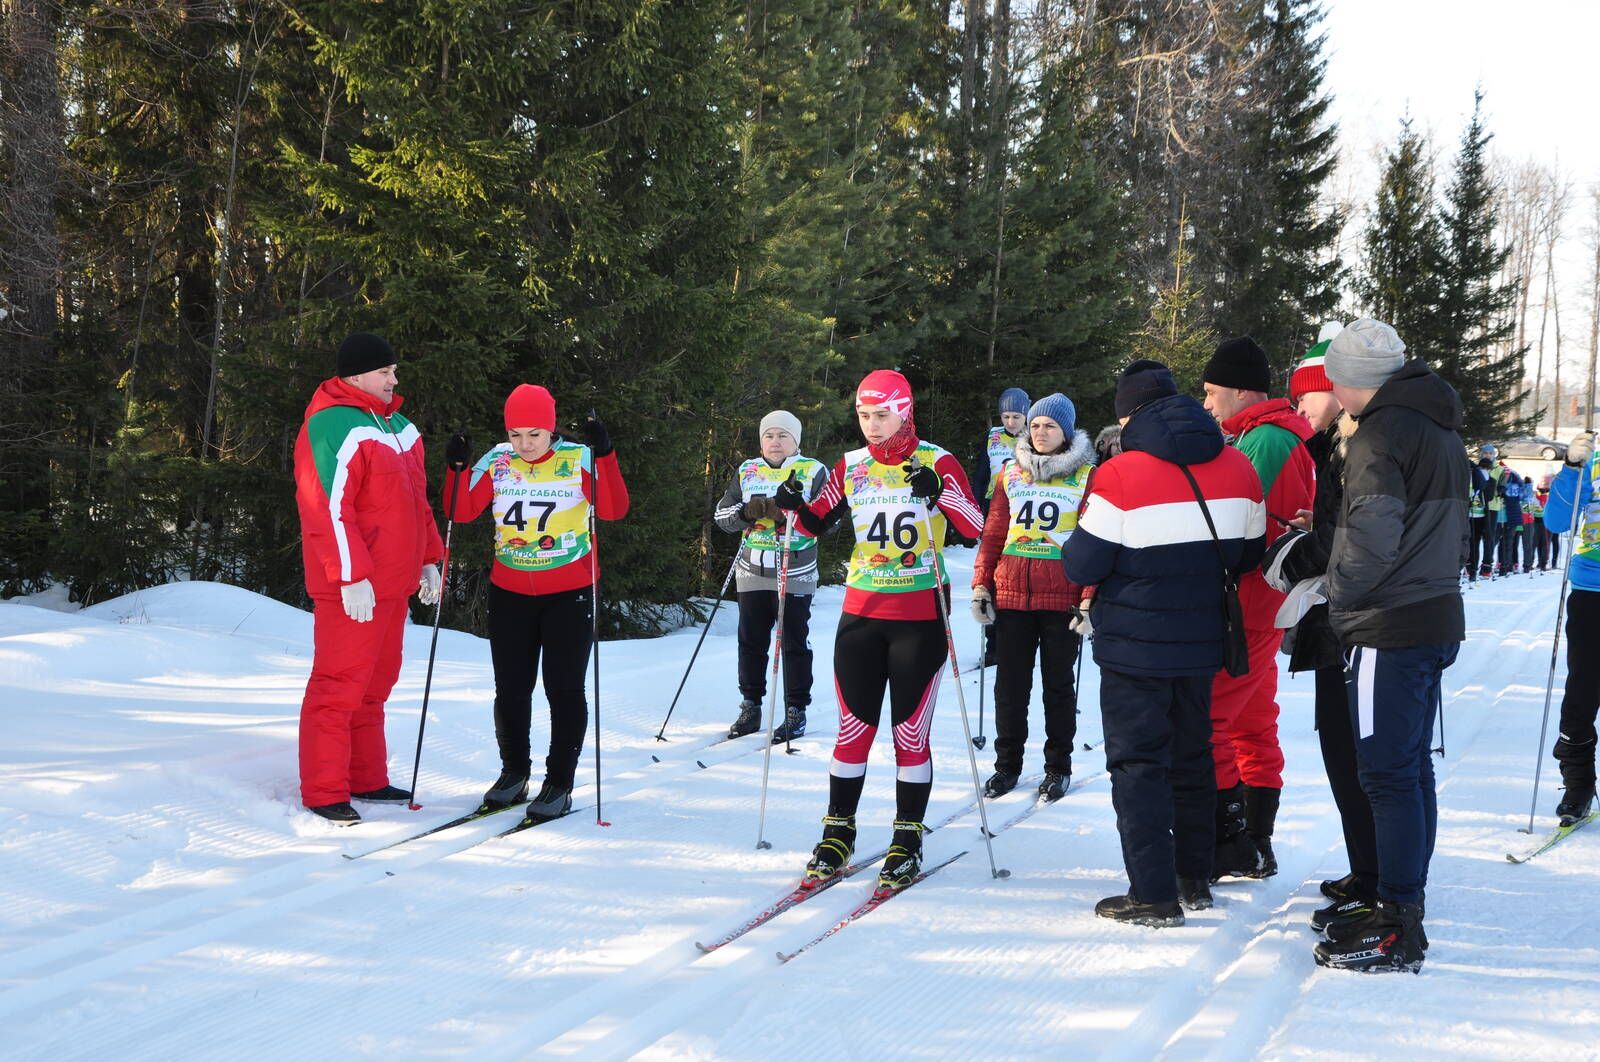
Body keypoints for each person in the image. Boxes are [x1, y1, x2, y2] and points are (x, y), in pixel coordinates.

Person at [1062, 360, 1266, 926]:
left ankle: (1152, 894)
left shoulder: (1122, 474)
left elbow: (1081, 562)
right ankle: (1192, 878)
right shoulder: (1238, 465)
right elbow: (1249, 554)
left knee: (1138, 765)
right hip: (1202, 641)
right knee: (1192, 756)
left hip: (1135, 646)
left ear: (1128, 415)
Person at [774, 369, 984, 892]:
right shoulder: (852, 466)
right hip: (861, 617)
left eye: (881, 415)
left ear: (905, 411)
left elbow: (975, 527)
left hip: (919, 620)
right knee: (852, 732)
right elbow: (813, 525)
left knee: (909, 736)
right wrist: (793, 505)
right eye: (864, 415)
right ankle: (837, 832)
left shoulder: (938, 461)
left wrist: (940, 496)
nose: (871, 425)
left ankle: (907, 838)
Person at [1312, 318, 1468, 974]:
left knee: (1386, 772)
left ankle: (1397, 923)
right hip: (1429, 613)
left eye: (1336, 382)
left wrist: (1336, 590)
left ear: (1354, 381)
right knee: (1408, 768)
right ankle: (1400, 903)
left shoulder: (1381, 433)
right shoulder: (1436, 421)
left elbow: (1372, 536)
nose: (1334, 394)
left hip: (1390, 623)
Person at [443, 384, 629, 823]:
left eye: (535, 435)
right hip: (509, 592)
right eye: (515, 435)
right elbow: (461, 510)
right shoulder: (498, 460)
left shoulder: (577, 458)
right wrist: (457, 466)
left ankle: (559, 782)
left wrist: (605, 455)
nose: (524, 445)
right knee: (511, 689)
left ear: (551, 429)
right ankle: (514, 773)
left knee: (563, 689)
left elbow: (615, 508)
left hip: (569, 592)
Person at [293, 332, 445, 824]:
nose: (394, 379)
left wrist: (427, 559)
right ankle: (324, 790)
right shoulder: (333, 423)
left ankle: (367, 777)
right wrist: (350, 575)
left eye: (393, 370)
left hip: (393, 585)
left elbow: (417, 503)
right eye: (385, 372)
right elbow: (326, 507)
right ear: (356, 375)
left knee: (375, 686)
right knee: (338, 686)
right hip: (352, 589)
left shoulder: (399, 427)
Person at [1262, 323, 1383, 928]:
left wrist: (1294, 554)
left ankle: (1379, 878)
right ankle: (1367, 868)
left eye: (1304, 396)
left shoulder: (1359, 447)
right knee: (1340, 749)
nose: (1298, 408)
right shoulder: (1336, 446)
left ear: (1334, 389)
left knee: (1359, 755)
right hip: (1345, 621)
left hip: (1360, 625)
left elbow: (1353, 542)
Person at [1199, 336, 1315, 879]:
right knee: (1251, 721)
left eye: (1212, 392)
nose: (1207, 404)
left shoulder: (1266, 439)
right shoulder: (1266, 433)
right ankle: (1257, 840)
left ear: (1243, 390)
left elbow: (1232, 521)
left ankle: (1231, 842)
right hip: (1263, 602)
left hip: (1249, 604)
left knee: (1215, 719)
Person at [970, 392, 1093, 803]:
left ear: (1067, 432)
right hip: (1011, 595)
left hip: (1062, 598)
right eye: (1036, 425)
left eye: (1051, 426)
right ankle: (1007, 766)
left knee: (1058, 687)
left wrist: (1090, 597)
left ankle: (1058, 766)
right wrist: (981, 584)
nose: (1041, 433)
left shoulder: (1087, 475)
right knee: (1010, 686)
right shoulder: (1010, 472)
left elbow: (1096, 541)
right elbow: (993, 533)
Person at [713, 411, 829, 742]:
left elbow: (829, 520)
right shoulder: (747, 470)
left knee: (793, 639)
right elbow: (722, 515)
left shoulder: (813, 470)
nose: (775, 442)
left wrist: (788, 516)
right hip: (752, 569)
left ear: (796, 440)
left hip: (795, 568)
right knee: (751, 640)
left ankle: (796, 709)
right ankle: (751, 705)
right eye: (768, 435)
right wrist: (746, 513)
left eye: (782, 435)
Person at [1545, 429, 1599, 826]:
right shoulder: (1593, 462)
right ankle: (1578, 785)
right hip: (1592, 590)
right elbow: (1557, 521)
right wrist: (1572, 468)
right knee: (1583, 691)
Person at [975, 387, 1032, 511]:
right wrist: (977, 507)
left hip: (1024, 503)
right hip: (993, 504)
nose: (1010, 422)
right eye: (1006, 417)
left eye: (1016, 417)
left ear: (1026, 415)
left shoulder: (1035, 437)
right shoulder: (992, 435)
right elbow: (981, 477)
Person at [1479, 444, 1504, 578]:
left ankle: (1487, 565)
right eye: (1485, 453)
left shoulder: (1499, 469)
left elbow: (1504, 482)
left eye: (1490, 453)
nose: (1488, 456)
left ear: (1494, 455)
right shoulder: (1478, 468)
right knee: (1475, 536)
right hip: (1478, 506)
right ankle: (1470, 564)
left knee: (1489, 537)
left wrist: (1501, 488)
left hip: (1492, 506)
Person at [1467, 456, 1490, 582]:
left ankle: (1473, 571)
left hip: (1479, 517)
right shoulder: (1466, 476)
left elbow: (1488, 496)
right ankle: (1468, 567)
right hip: (1468, 516)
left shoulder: (1481, 477)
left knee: (1474, 544)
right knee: (1467, 543)